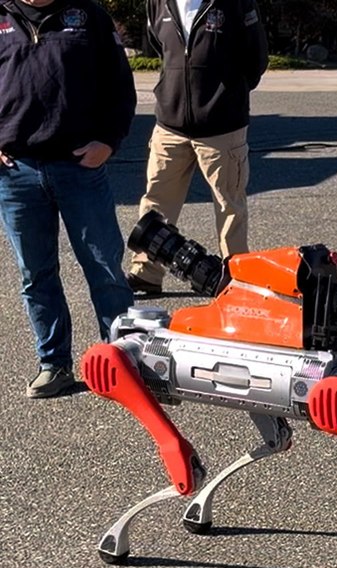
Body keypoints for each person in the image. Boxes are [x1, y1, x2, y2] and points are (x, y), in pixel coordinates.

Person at [0, 0, 136, 398]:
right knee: (35, 274)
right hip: (16, 172)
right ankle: (53, 364)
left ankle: (123, 360)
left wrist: (109, 142)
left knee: (104, 268)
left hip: (81, 166)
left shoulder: (88, 15)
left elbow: (119, 87)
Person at [125, 0, 268, 296]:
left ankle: (237, 280)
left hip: (222, 127)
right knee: (156, 202)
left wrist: (225, 96)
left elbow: (256, 59)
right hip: (170, 124)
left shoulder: (234, 4)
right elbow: (161, 47)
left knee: (230, 206)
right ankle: (147, 273)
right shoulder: (157, 3)